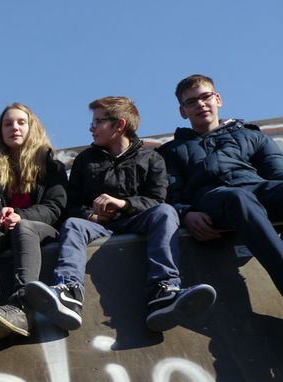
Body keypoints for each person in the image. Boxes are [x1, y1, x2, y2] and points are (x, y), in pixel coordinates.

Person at [24, 97, 216, 332]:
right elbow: (70, 205)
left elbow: (158, 200)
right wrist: (92, 217)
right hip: (98, 226)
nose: (91, 128)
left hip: (137, 220)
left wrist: (124, 204)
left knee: (166, 212)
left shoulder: (151, 157)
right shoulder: (85, 160)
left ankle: (164, 291)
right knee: (73, 223)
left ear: (119, 125)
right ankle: (68, 292)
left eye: (97, 122)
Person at [158, 74, 283, 299]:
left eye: (206, 97)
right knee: (237, 198)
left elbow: (278, 176)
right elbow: (169, 196)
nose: (200, 104)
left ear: (218, 99)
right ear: (183, 111)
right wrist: (185, 214)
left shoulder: (251, 136)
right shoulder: (170, 152)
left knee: (245, 196)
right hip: (212, 200)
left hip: (256, 191)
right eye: (191, 101)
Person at [0, 103, 67, 341]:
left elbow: (55, 207)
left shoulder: (52, 165)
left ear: (32, 128)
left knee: (24, 226)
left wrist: (21, 216)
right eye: (7, 124)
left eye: (21, 122)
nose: (14, 128)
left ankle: (22, 307)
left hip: (40, 229)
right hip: (5, 231)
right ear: (1, 131)